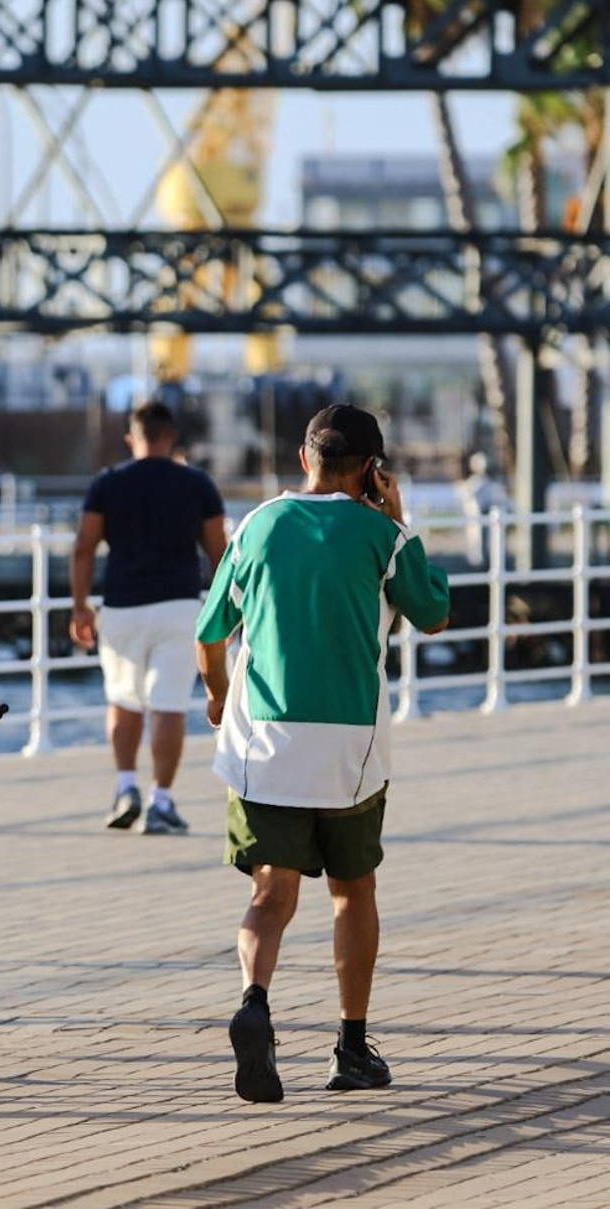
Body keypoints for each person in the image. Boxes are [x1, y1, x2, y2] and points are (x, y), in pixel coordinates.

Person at [195, 404, 450, 1104]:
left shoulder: (256, 526)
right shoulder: (381, 536)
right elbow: (432, 613)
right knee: (352, 892)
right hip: (350, 752)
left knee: (271, 891)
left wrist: (219, 697)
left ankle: (254, 1002)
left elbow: (209, 629)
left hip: (263, 744)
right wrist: (402, 520)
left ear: (305, 457)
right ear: (371, 470)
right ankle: (352, 1044)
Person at [69, 401, 226, 835]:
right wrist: (228, 612)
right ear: (170, 436)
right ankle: (162, 801)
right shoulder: (197, 484)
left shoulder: (108, 483)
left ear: (131, 438)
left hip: (121, 605)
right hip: (178, 603)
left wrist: (81, 605)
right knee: (169, 707)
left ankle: (125, 788)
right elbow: (220, 554)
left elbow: (84, 545)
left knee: (123, 700)